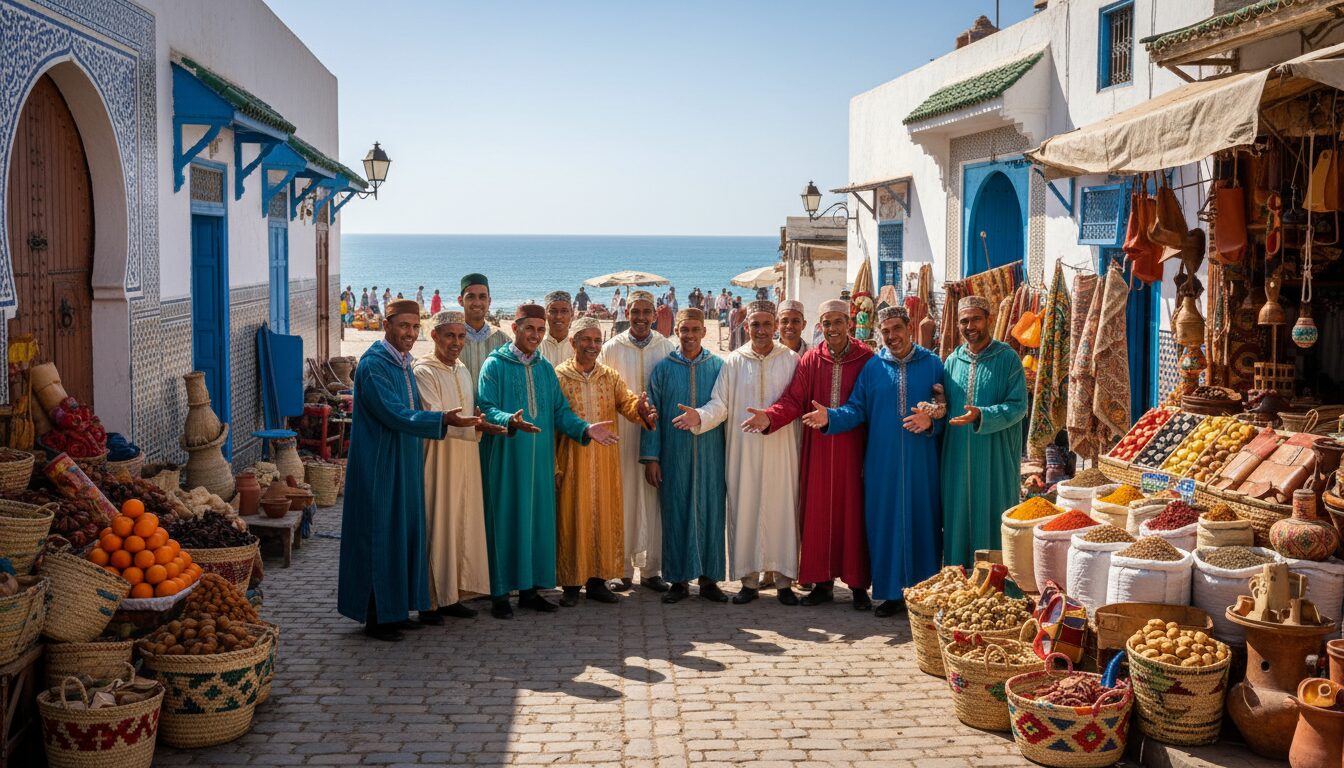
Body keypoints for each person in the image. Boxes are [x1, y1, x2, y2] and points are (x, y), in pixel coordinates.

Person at [337, 299, 481, 641]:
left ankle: (395, 610)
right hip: (379, 464)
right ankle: (376, 618)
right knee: (379, 535)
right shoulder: (374, 365)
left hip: (405, 460)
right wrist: (442, 419)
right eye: (404, 326)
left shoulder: (403, 364)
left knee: (404, 533)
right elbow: (394, 413)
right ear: (387, 325)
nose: (410, 334)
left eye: (415, 327)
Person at [477, 305, 619, 619]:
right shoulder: (494, 365)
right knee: (505, 520)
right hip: (506, 457)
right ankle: (499, 594)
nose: (536, 335)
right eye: (530, 329)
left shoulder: (544, 369)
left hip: (540, 460)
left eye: (540, 330)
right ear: (515, 328)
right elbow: (485, 406)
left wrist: (585, 428)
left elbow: (559, 412)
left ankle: (529, 591)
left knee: (536, 521)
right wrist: (509, 420)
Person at [803, 305, 945, 617]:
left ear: (908, 328)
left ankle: (925, 594)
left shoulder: (933, 364)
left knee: (924, 522)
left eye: (897, 328)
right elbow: (856, 409)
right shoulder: (874, 368)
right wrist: (831, 417)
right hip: (882, 463)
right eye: (886, 331)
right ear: (879, 334)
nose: (892, 336)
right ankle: (892, 594)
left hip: (922, 463)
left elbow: (946, 405)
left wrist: (933, 421)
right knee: (885, 524)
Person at [743, 299, 874, 609]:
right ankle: (822, 583)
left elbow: (869, 403)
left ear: (849, 323)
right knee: (817, 513)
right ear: (820, 326)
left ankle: (857, 586)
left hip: (853, 448)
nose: (832, 328)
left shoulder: (866, 359)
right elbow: (793, 400)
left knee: (853, 514)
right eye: (826, 323)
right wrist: (771, 417)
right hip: (817, 450)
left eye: (837, 322)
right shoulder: (811, 361)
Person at [673, 300, 801, 605]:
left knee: (784, 509)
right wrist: (700, 417)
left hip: (782, 449)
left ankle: (784, 581)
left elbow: (798, 402)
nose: (760, 330)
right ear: (746, 328)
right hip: (743, 451)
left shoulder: (792, 360)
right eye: (754, 325)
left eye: (766, 324)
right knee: (744, 510)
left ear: (775, 326)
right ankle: (748, 581)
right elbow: (720, 403)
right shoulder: (733, 362)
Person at [554, 317, 657, 606]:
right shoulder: (558, 376)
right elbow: (554, 418)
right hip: (573, 459)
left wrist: (642, 412)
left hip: (605, 460)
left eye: (597, 340)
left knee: (602, 516)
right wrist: (554, 464)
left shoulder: (609, 376)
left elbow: (626, 402)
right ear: (572, 343)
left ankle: (598, 582)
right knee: (573, 518)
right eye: (586, 340)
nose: (592, 346)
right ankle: (571, 585)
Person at [413, 311, 504, 620]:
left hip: (466, 457)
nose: (456, 343)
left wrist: (480, 426)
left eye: (461, 336)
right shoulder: (423, 371)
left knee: (460, 524)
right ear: (434, 336)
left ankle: (453, 596)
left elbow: (468, 413)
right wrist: (473, 426)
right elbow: (435, 417)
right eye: (449, 336)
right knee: (438, 525)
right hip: (439, 459)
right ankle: (430, 600)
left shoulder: (463, 369)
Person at [641, 308, 728, 604]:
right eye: (684, 330)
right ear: (676, 332)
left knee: (710, 513)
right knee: (675, 512)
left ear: (704, 331)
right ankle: (678, 580)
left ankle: (710, 580)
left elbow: (725, 406)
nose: (689, 335)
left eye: (695, 329)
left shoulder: (718, 366)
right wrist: (651, 457)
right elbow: (651, 414)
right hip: (673, 455)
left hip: (711, 454)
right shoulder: (663, 369)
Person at [597, 290, 676, 593]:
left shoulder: (665, 347)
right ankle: (622, 568)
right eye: (635, 312)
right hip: (621, 434)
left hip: (656, 435)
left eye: (646, 312)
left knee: (654, 500)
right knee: (624, 497)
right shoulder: (611, 348)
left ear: (655, 314)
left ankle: (653, 568)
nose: (641, 318)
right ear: (626, 313)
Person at [941, 296, 1028, 567]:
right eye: (964, 321)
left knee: (993, 515)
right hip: (956, 460)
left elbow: (1018, 407)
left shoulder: (1008, 359)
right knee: (956, 520)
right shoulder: (953, 360)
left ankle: (996, 588)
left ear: (989, 320)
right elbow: (944, 403)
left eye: (976, 319)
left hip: (995, 458)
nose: (970, 326)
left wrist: (982, 415)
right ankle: (958, 585)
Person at [458, 273, 509, 382]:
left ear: (489, 301)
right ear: (461, 301)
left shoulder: (503, 340)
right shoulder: (451, 339)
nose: (477, 303)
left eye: (482, 297)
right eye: (471, 296)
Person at [539, 290, 575, 368]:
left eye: (564, 311)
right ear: (545, 314)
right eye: (553, 311)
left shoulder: (577, 347)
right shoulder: (537, 346)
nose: (558, 316)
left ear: (572, 313)